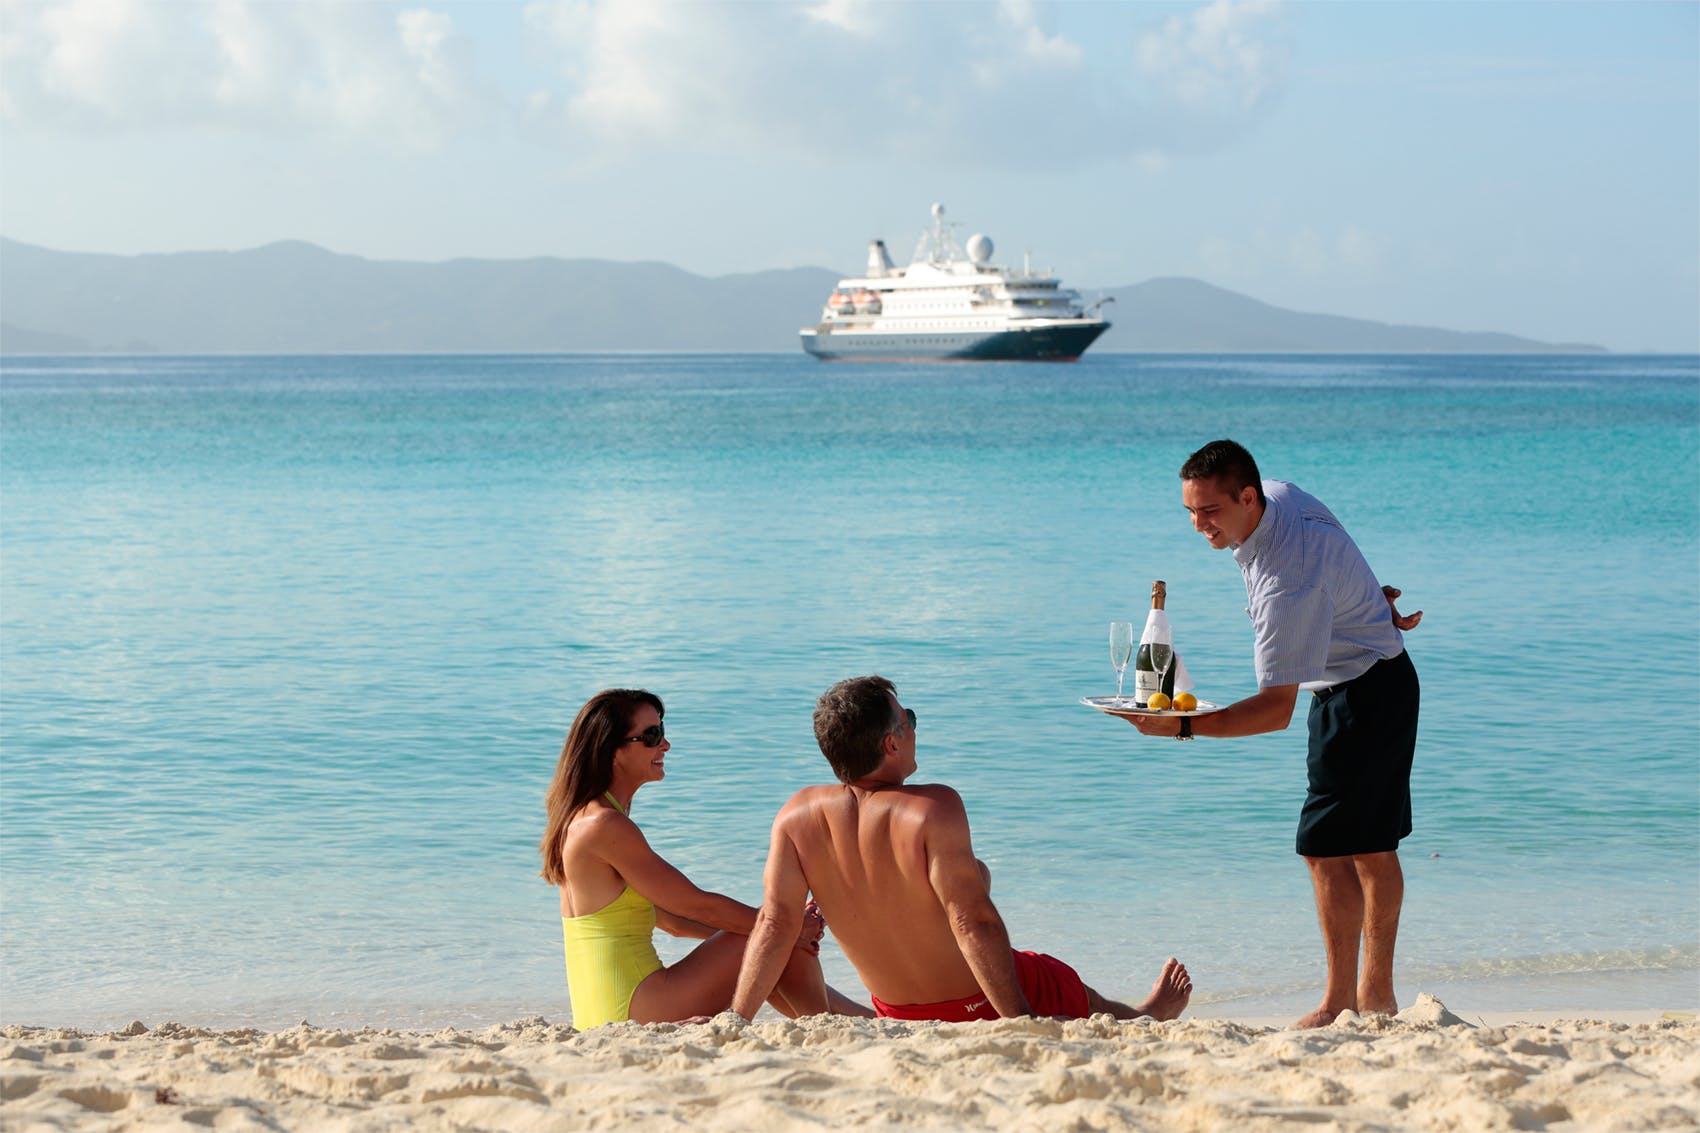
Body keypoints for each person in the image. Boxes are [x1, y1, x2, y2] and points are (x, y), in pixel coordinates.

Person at [1125, 439, 1422, 1029]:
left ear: (1247, 496)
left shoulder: (1284, 581)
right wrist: (1364, 597)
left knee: (1337, 849)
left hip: (1367, 691)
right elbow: (1337, 548)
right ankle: (1365, 999)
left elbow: (1272, 711)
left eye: (1209, 511)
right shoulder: (1282, 496)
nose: (1197, 525)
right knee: (1352, 846)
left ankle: (1358, 1000)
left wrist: (1180, 728)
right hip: (1362, 682)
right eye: (1189, 511)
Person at [730, 675, 1192, 1024]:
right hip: (977, 1004)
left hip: (897, 1013)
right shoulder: (932, 807)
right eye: (908, 719)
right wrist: (1019, 1023)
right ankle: (1146, 1017)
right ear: (892, 743)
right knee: (1061, 982)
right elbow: (973, 921)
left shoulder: (795, 817)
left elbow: (774, 925)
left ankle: (1138, 1013)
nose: (914, 728)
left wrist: (737, 1019)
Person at [539, 688, 871, 1028]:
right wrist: (785, 926)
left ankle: (863, 1021)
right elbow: (697, 905)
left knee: (767, 939)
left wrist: (780, 930)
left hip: (609, 1008)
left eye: (662, 732)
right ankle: (830, 1024)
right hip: (632, 1008)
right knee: (768, 936)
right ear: (611, 749)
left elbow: (675, 922)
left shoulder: (587, 818)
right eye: (652, 736)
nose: (665, 745)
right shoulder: (603, 825)